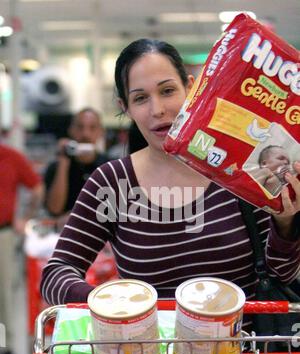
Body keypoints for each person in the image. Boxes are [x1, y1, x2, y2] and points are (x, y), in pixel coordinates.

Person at [41, 39, 300, 333]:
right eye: (140, 98)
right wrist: (107, 305)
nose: (158, 109)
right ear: (124, 107)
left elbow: (281, 272)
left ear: (191, 88)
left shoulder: (238, 167)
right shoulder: (112, 183)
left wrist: (285, 222)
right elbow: (55, 273)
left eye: (167, 91)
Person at [0, 143, 44, 354]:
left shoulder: (10, 157)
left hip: (3, 234)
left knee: (2, 293)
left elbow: (37, 187)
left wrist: (25, 218)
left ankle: (2, 345)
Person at [44, 108, 109, 219]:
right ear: (71, 130)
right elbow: (54, 209)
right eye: (80, 127)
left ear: (101, 132)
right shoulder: (56, 166)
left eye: (92, 128)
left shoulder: (110, 166)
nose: (85, 134)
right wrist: (63, 163)